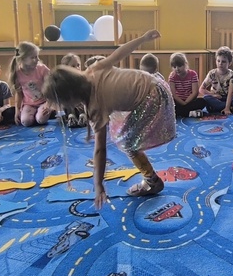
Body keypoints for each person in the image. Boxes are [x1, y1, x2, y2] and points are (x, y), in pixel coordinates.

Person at [42, 29, 175, 209]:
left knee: (128, 143)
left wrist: (98, 185)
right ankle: (150, 177)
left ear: (71, 97)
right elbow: (120, 52)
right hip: (156, 83)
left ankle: (152, 181)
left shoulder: (95, 106)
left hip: (152, 97)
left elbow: (100, 150)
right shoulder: (92, 70)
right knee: (121, 130)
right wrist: (142, 38)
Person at [10, 41, 52, 127]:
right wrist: (17, 110)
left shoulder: (42, 69)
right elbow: (19, 93)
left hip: (44, 102)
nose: (37, 60)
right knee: (25, 122)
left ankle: (40, 114)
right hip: (29, 104)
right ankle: (34, 115)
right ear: (22, 59)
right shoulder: (17, 73)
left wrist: (49, 104)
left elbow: (51, 88)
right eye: (33, 57)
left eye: (37, 56)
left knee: (41, 119)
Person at [200, 46, 233, 115]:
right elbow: (201, 89)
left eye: (224, 61)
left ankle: (220, 107)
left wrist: (227, 108)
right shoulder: (212, 73)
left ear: (229, 63)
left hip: (229, 98)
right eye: (218, 61)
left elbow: (230, 93)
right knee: (206, 98)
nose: (220, 63)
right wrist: (213, 95)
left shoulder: (232, 74)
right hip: (216, 98)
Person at [168, 52, 206, 118]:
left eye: (179, 66)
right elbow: (173, 94)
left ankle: (182, 112)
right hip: (178, 101)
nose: (177, 69)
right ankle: (190, 113)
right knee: (169, 105)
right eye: (174, 67)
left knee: (203, 101)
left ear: (185, 64)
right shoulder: (172, 76)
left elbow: (195, 92)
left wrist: (186, 102)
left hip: (190, 101)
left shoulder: (193, 74)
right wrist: (182, 103)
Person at [59, 53, 88, 127]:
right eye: (73, 66)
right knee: (68, 105)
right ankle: (71, 118)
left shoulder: (83, 78)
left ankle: (83, 116)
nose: (77, 68)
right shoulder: (63, 81)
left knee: (83, 105)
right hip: (70, 105)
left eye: (78, 65)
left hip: (81, 103)